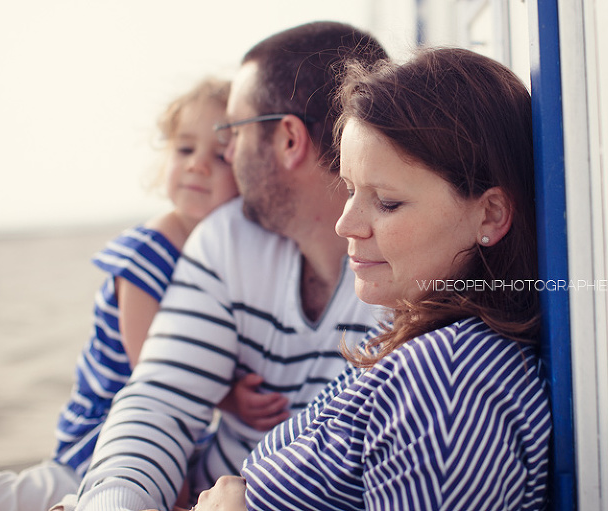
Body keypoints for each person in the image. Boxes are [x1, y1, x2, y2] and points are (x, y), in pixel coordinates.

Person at [194, 47, 553, 510]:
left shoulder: (446, 385)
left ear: (490, 214)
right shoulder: (420, 345)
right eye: (349, 190)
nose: (346, 224)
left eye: (386, 202)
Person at [63, 22, 389, 511]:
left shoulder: (407, 270)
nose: (229, 154)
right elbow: (159, 402)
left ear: (289, 139)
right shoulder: (227, 236)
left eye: (233, 133)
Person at [0, 76, 239, 511]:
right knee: (21, 496)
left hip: (174, 430)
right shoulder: (148, 251)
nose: (198, 165)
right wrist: (232, 399)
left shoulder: (221, 255)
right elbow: (153, 369)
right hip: (107, 430)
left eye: (219, 156)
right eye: (185, 149)